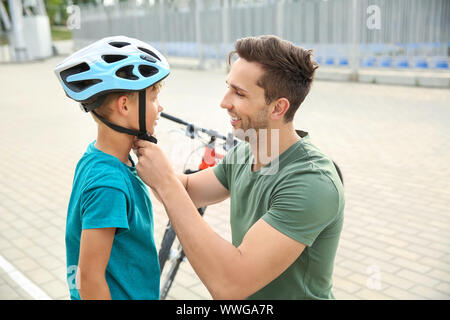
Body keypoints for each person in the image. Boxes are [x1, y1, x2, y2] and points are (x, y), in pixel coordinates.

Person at [134, 35, 345, 299]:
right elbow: (186, 191)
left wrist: (164, 181)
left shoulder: (312, 182)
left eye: (239, 93)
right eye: (228, 87)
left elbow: (229, 285)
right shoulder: (247, 151)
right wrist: (139, 153)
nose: (224, 102)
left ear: (278, 108)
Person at [54, 35, 170, 300]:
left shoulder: (100, 157)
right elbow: (90, 281)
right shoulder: (109, 184)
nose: (160, 107)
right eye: (154, 97)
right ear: (125, 106)